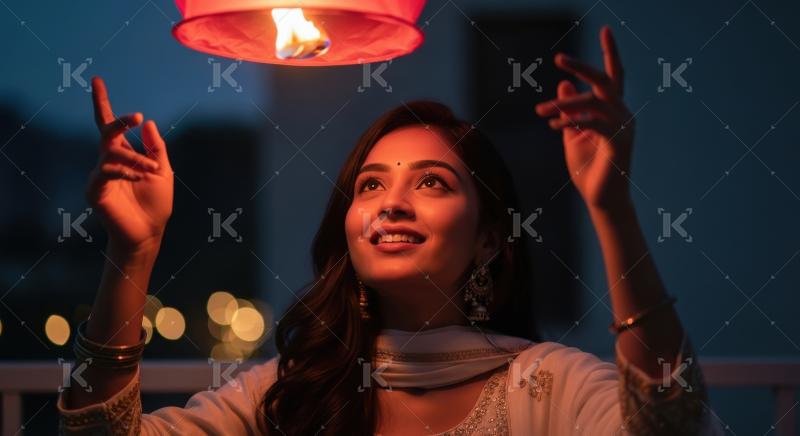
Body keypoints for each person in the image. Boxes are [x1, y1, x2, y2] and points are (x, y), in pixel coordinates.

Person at [57, 26, 723, 435]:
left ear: (490, 239)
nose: (392, 203)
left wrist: (612, 207)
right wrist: (133, 251)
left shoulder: (550, 386)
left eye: (432, 182)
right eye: (370, 185)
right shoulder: (289, 392)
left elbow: (671, 425)